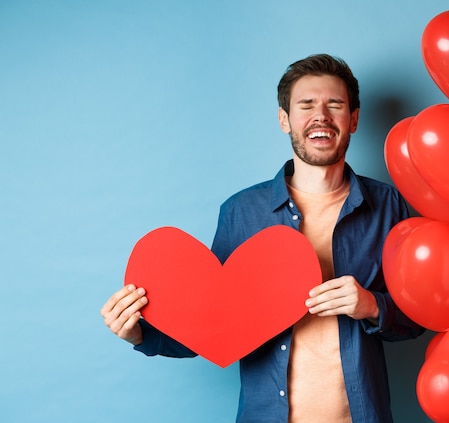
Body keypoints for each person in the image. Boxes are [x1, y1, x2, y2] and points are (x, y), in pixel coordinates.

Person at [101, 53, 424, 423]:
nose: (320, 115)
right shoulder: (241, 212)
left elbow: (415, 319)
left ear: (353, 119)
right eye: (306, 105)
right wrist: (139, 335)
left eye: (334, 104)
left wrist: (371, 305)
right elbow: (209, 325)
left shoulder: (387, 206)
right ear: (285, 119)